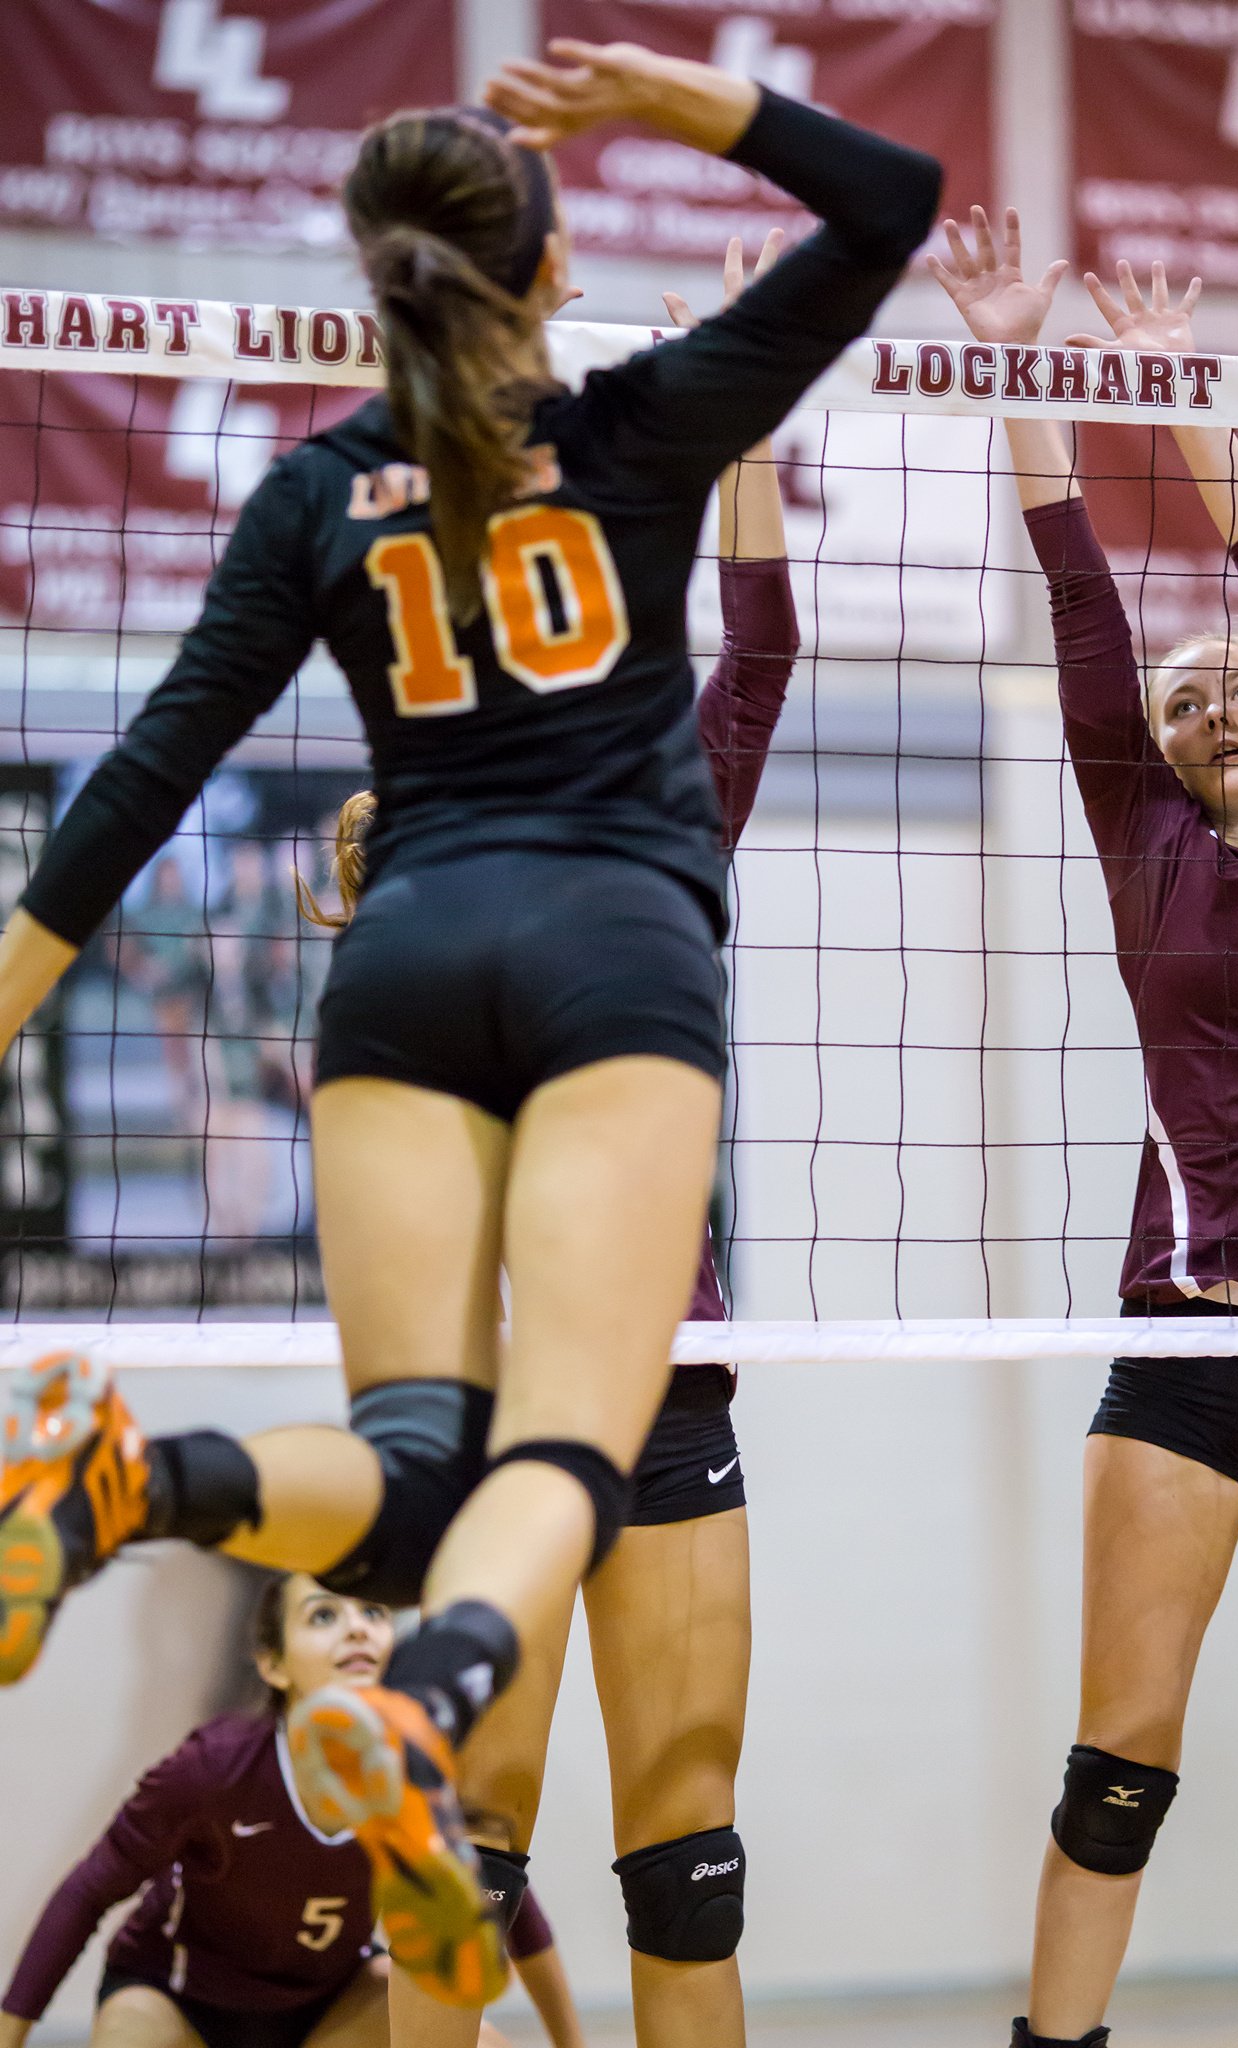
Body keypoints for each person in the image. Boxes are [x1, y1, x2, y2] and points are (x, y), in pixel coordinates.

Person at [0, 39, 940, 2008]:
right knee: (565, 1459)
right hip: (608, 955)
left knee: (419, 1453)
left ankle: (136, 1484)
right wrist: (682, 102)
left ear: (374, 277)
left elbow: (144, 781)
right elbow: (894, 199)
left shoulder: (315, 492)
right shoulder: (645, 421)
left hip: (403, 955)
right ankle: (426, 1700)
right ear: (551, 250)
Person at [931, 219, 1238, 2048]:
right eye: (1181, 692)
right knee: (1120, 1767)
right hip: (1195, 1341)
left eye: (1237, 682)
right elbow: (1083, 599)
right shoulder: (1142, 840)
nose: (1210, 695)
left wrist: (1171, 381)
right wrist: (1020, 362)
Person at [310, 231, 797, 2048]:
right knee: (463, 1863)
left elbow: (758, 648)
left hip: (667, 1385)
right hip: (479, 1411)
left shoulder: (650, 834)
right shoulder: (402, 906)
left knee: (686, 1869)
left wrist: (730, 399)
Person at [0, 1575, 583, 2048]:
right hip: (177, 2000)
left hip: (330, 2006)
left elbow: (503, 1905)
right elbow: (85, 1894)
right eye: (324, 1616)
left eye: (373, 1614)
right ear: (274, 1665)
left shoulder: (423, 1768)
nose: (356, 1628)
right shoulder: (211, 1769)